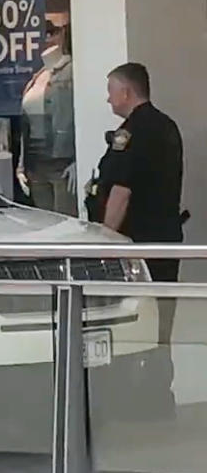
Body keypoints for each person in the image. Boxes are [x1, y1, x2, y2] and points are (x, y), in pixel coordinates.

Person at [91, 62, 183, 412]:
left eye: (111, 90)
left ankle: (133, 401)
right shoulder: (167, 126)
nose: (108, 98)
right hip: (166, 238)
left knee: (132, 320)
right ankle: (161, 395)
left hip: (135, 243)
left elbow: (120, 193)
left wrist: (105, 240)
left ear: (126, 92)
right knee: (162, 320)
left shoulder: (130, 134)